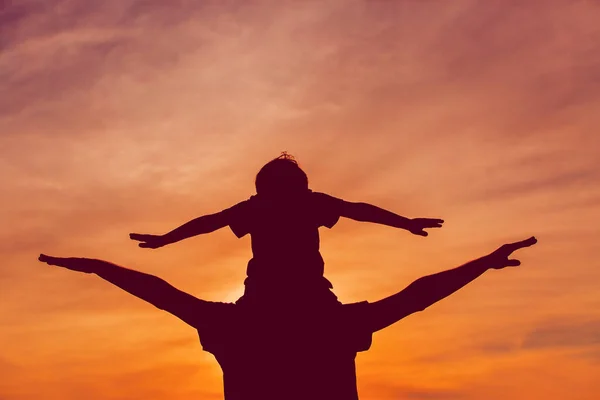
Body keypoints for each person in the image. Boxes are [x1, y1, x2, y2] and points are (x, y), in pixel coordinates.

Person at [39, 236, 537, 400]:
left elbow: (154, 289)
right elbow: (418, 295)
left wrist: (96, 267)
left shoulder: (230, 324)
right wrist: (481, 264)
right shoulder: (333, 324)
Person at [129, 153, 444, 306]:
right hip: (274, 296)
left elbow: (358, 211)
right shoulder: (288, 204)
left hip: (299, 295)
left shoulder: (277, 205)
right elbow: (357, 210)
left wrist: (165, 240)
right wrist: (405, 223)